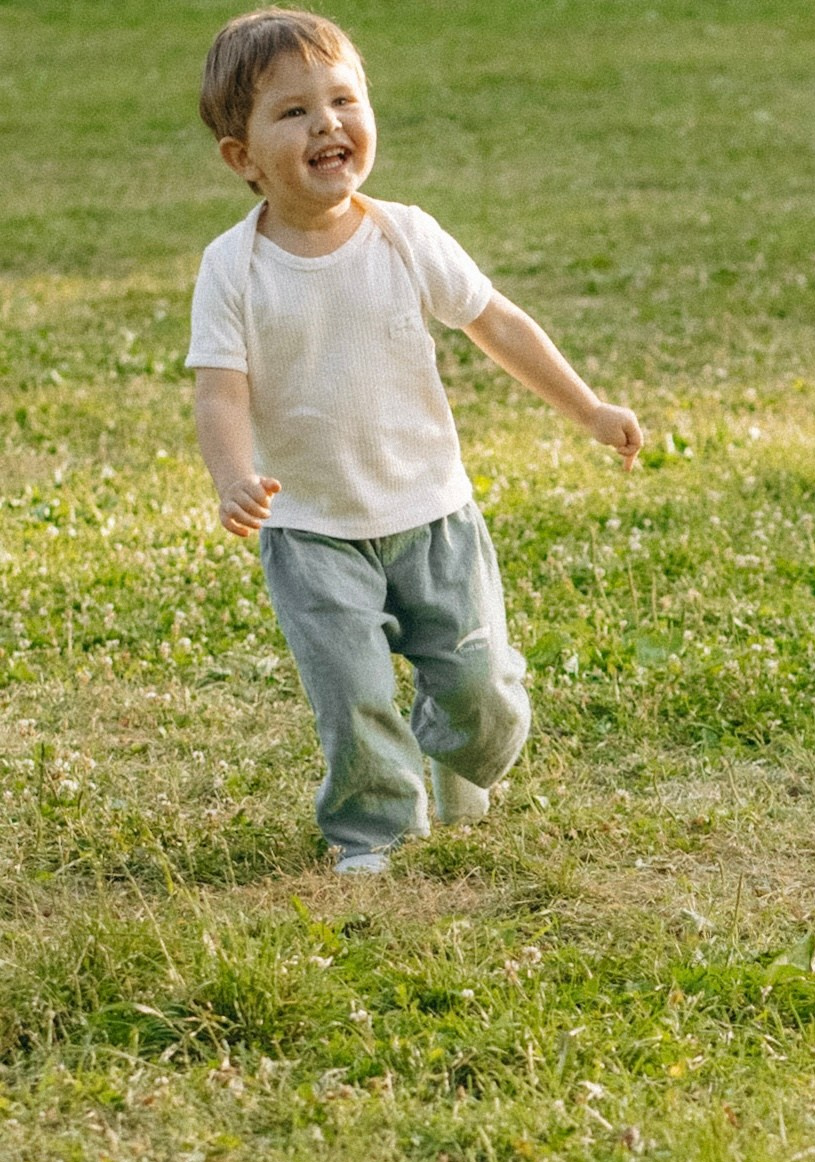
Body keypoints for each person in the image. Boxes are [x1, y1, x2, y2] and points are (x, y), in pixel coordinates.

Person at [188, 7, 643, 873]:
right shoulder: (233, 267)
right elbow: (220, 390)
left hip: (432, 513)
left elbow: (496, 323)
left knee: (482, 692)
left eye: (343, 100)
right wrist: (233, 476)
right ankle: (373, 829)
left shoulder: (405, 235)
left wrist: (587, 409)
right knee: (353, 697)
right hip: (312, 528)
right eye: (294, 111)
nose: (327, 123)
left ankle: (457, 756)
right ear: (242, 158)